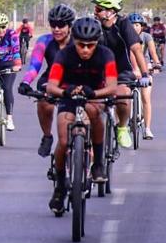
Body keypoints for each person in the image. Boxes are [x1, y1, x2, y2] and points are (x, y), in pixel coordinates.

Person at [44, 16, 118, 214]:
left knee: (95, 113)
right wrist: (63, 92)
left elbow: (112, 86)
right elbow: (51, 86)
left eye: (90, 45)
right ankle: (60, 186)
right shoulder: (64, 55)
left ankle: (99, 163)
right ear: (73, 41)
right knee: (62, 140)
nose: (85, 50)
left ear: (97, 43)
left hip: (94, 95)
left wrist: (94, 93)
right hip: (69, 96)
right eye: (80, 45)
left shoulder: (106, 54)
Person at [18, 3, 75, 158]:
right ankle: (47, 136)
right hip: (51, 80)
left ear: (70, 26)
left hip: (75, 81)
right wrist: (25, 82)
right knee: (44, 102)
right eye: (53, 25)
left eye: (61, 25)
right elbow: (34, 66)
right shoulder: (44, 40)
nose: (56, 29)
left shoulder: (79, 42)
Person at [93, 0, 148, 149]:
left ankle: (122, 127)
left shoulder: (123, 25)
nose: (94, 12)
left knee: (123, 96)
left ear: (110, 12)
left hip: (120, 71)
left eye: (98, 9)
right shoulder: (93, 25)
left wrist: (144, 74)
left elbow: (137, 50)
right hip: (98, 71)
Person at [128, 13, 159, 140]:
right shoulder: (125, 37)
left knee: (146, 98)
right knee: (122, 98)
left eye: (137, 25)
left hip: (145, 68)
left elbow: (152, 52)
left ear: (142, 26)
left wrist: (156, 64)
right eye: (132, 25)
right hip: (128, 68)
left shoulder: (147, 37)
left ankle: (147, 129)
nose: (135, 27)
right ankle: (121, 125)